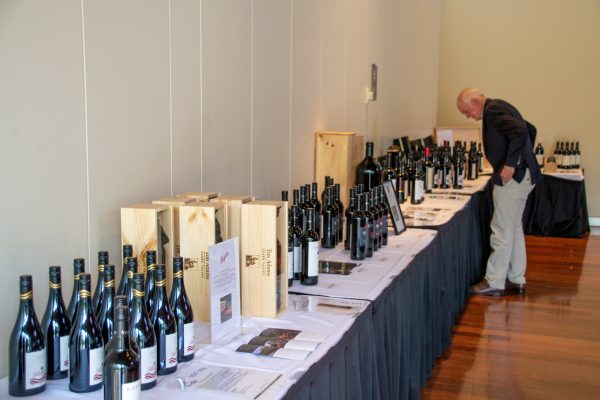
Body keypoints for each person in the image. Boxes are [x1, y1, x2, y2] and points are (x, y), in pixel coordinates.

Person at [456, 88, 542, 296]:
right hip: (526, 175)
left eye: (467, 111)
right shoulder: (500, 105)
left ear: (476, 102)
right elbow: (530, 129)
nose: (468, 116)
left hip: (514, 179)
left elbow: (521, 132)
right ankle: (516, 278)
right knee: (513, 227)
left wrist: (512, 164)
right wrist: (525, 157)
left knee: (501, 229)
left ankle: (494, 281)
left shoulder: (493, 111)